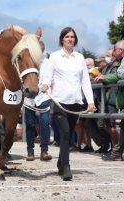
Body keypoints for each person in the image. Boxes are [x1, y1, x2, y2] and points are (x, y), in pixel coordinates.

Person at [41, 27, 95, 181]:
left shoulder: (79, 57)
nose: (70, 39)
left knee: (69, 133)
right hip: (59, 101)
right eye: (67, 36)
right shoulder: (55, 57)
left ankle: (60, 161)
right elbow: (47, 76)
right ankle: (66, 166)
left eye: (72, 36)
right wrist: (45, 85)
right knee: (65, 132)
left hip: (75, 102)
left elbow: (85, 81)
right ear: (62, 39)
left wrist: (90, 102)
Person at [95, 40, 124, 161]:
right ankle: (118, 151)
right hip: (123, 97)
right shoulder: (118, 62)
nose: (114, 52)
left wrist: (104, 77)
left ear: (120, 50)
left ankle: (121, 150)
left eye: (115, 49)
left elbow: (120, 75)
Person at [24, 41, 52, 162]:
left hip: (43, 95)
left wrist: (46, 85)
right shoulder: (28, 62)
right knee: (30, 124)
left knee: (44, 122)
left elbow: (49, 77)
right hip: (29, 97)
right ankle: (30, 151)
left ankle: (44, 150)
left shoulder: (48, 63)